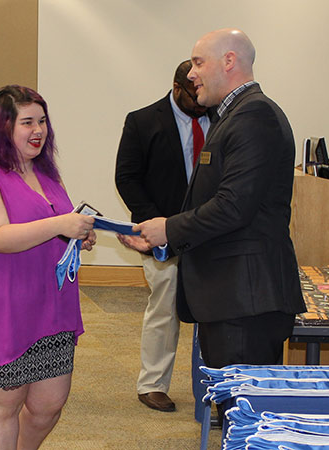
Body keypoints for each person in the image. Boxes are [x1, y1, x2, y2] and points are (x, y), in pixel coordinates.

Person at [128, 29, 307, 374]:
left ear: (229, 61)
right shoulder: (235, 116)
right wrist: (160, 242)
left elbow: (233, 206)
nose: (191, 74)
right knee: (233, 415)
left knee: (244, 415)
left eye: (198, 62)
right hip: (232, 298)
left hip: (245, 301)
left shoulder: (255, 117)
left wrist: (168, 228)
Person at [0, 85, 96, 449]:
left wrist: (73, 237)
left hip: (50, 305)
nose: (39, 130)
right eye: (27, 122)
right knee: (3, 408)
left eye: (42, 121)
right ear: (2, 127)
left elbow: (47, 225)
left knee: (49, 405)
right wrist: (60, 226)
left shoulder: (45, 172)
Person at [115, 60, 211, 413]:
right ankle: (153, 384)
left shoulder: (220, 118)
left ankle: (215, 387)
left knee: (213, 310)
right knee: (166, 306)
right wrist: (155, 224)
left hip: (209, 231)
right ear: (175, 87)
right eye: (194, 95)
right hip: (161, 233)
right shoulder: (142, 121)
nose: (201, 102)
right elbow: (126, 178)